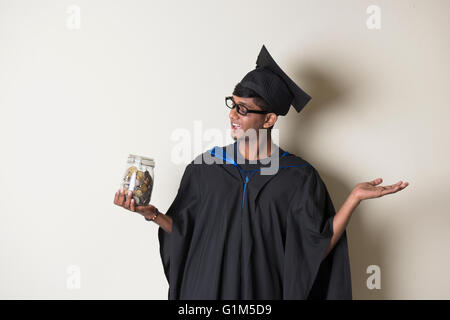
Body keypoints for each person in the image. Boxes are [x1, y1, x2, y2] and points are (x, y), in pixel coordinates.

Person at [114, 45, 409, 299]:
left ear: (268, 119)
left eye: (243, 110)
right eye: (232, 104)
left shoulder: (298, 178)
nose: (232, 115)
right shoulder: (204, 169)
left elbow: (312, 248)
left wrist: (353, 199)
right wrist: (152, 214)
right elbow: (186, 234)